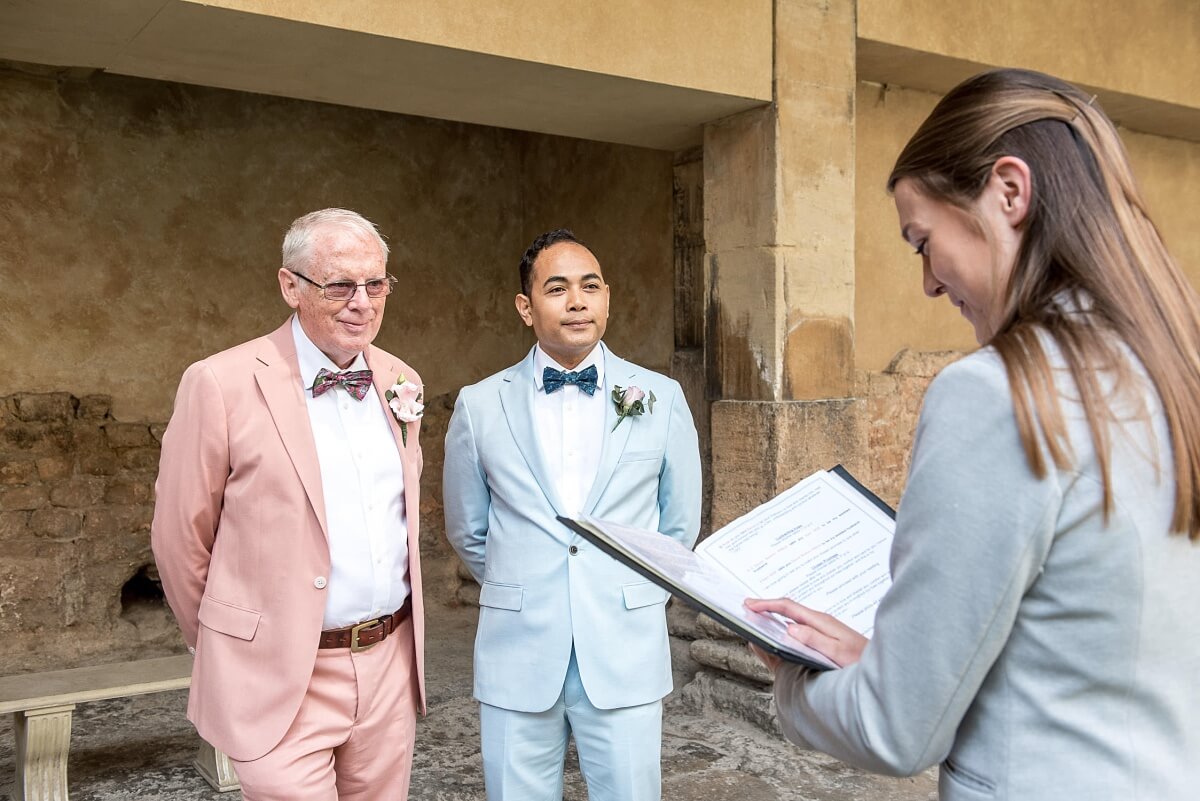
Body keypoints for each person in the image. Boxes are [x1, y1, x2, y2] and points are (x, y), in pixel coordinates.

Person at [747, 68, 1200, 800]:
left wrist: (794, 685)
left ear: (1008, 191)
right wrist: (890, 657)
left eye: (922, 240)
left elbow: (896, 728)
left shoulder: (996, 392)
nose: (927, 281)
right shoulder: (1177, 367)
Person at [151, 208, 427, 801]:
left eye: (375, 284)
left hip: (387, 665)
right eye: (339, 285)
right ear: (290, 287)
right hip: (279, 676)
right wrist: (232, 643)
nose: (362, 302)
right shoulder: (218, 382)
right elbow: (179, 539)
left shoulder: (401, 380)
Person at [443, 229, 702, 801]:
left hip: (623, 642)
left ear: (607, 297)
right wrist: (525, 581)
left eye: (590, 286)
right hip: (518, 645)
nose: (577, 301)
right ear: (525, 306)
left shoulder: (660, 398)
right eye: (557, 288)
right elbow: (468, 527)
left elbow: (679, 525)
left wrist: (632, 590)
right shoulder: (479, 404)